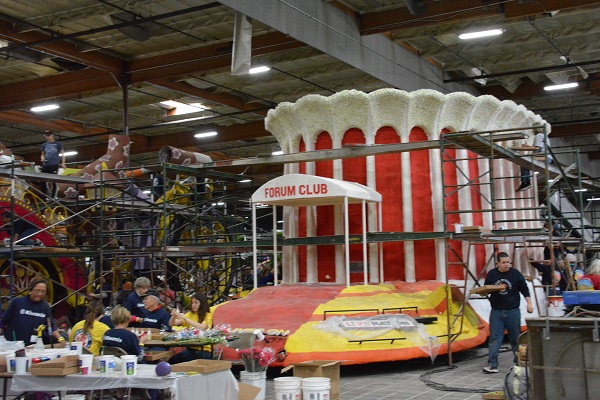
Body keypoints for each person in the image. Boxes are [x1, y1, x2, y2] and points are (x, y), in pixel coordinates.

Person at [483, 252, 533, 374]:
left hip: (513, 311)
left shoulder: (515, 274)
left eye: (508, 262)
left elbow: (524, 289)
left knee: (516, 339)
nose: (507, 265)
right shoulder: (492, 274)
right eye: (504, 262)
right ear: (498, 263)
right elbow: (485, 289)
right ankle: (492, 364)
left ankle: (518, 363)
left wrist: (529, 303)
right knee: (495, 338)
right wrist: (484, 292)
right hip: (497, 312)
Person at [0, 277, 67, 346]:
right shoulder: (17, 302)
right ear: (30, 290)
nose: (40, 294)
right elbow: (2, 322)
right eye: (37, 290)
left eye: (43, 291)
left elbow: (51, 327)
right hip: (14, 345)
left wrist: (61, 339)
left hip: (33, 347)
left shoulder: (45, 307)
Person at [168, 293, 212, 363]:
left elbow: (202, 327)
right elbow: (172, 323)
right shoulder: (190, 314)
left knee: (187, 359)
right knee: (173, 360)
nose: (193, 305)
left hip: (204, 349)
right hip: (191, 348)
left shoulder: (207, 315)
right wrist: (173, 316)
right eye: (192, 303)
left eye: (196, 303)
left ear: (202, 303)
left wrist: (185, 318)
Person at [40, 130, 66, 198]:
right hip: (46, 164)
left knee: (53, 180)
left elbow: (63, 153)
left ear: (52, 135)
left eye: (49, 135)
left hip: (54, 164)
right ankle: (44, 196)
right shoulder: (44, 145)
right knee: (42, 180)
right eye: (46, 136)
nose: (47, 137)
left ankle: (53, 196)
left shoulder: (57, 144)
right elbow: (42, 154)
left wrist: (63, 163)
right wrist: (42, 158)